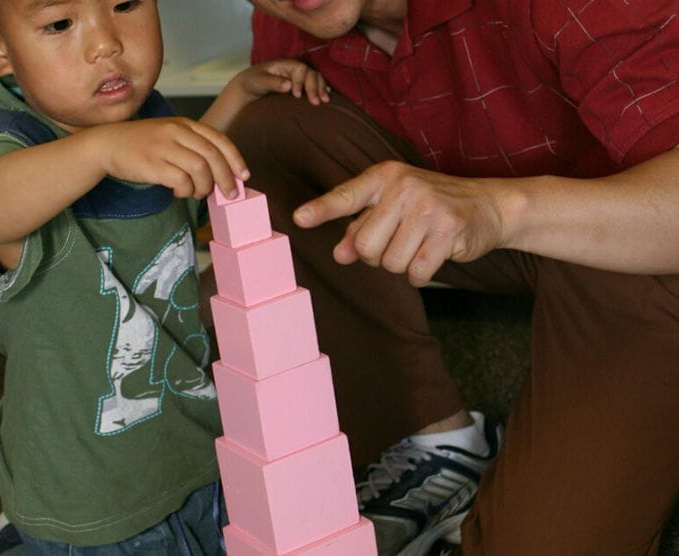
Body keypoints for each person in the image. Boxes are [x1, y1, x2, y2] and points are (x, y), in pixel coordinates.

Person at [224, 0, 679, 554]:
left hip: (640, 246)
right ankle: (434, 440)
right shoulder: (295, 14)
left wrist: (502, 211)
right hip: (483, 224)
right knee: (269, 122)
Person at [0, 0, 329, 553]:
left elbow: (179, 194)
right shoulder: (11, 140)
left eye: (125, 4)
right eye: (59, 24)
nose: (107, 42)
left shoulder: (134, 114)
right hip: (94, 494)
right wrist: (103, 152)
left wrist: (237, 98)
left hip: (194, 441)